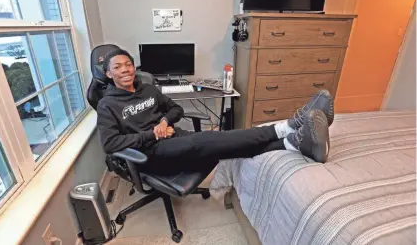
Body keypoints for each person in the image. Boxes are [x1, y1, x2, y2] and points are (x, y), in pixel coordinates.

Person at [97, 49, 334, 174]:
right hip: (151, 154)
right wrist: (153, 135)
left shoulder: (148, 89)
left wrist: (163, 120)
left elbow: (176, 109)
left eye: (128, 64)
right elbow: (110, 144)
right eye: (117, 67)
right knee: (210, 138)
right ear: (109, 74)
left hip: (173, 138)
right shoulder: (108, 105)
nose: (125, 69)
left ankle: (293, 143)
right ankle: (288, 126)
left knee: (225, 145)